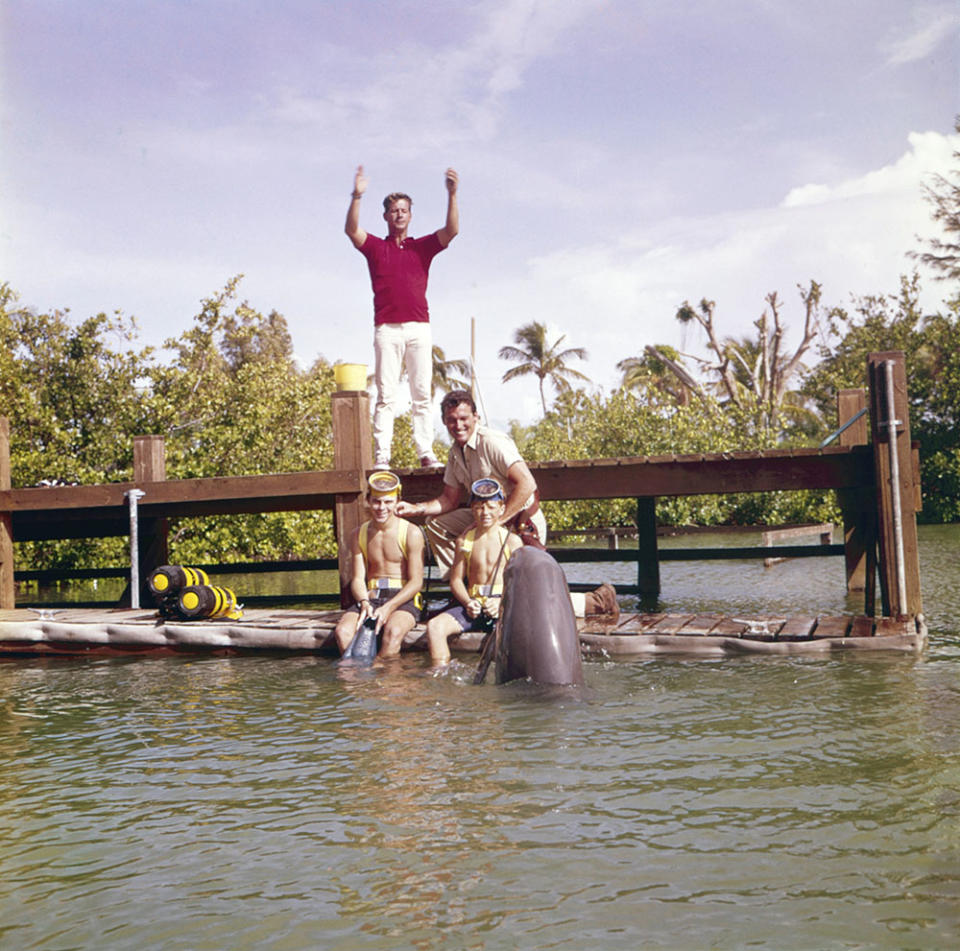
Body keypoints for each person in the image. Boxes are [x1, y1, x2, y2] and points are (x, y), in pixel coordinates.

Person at [396, 389, 619, 619]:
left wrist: (497, 524)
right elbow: (449, 500)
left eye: (464, 418)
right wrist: (415, 509)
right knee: (436, 525)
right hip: (486, 520)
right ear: (444, 422)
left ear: (476, 417)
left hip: (521, 521)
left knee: (528, 593)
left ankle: (595, 602)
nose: (458, 425)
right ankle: (466, 590)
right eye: (452, 420)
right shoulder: (455, 452)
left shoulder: (492, 442)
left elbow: (527, 483)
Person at [345, 164, 460, 469]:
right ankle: (382, 457)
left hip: (419, 328)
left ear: (410, 215)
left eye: (404, 210)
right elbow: (352, 231)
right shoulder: (376, 248)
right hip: (387, 329)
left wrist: (452, 195)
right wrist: (356, 196)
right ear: (386, 216)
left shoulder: (420, 248)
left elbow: (451, 231)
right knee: (386, 395)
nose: (399, 215)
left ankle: (426, 452)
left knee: (422, 393)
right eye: (394, 210)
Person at [426, 478, 522, 666]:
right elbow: (456, 581)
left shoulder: (512, 541)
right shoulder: (464, 541)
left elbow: (521, 584)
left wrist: (501, 601)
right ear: (472, 509)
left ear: (501, 509)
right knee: (435, 627)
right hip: (473, 606)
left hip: (502, 605)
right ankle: (440, 672)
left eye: (491, 507)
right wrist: (468, 602)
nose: (484, 512)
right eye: (478, 507)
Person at [335, 470, 425, 658]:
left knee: (392, 633)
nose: (381, 507)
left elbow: (416, 582)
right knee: (342, 632)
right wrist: (364, 602)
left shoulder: (411, 533)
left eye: (388, 502)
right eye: (376, 501)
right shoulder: (358, 534)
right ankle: (359, 684)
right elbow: (358, 579)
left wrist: (389, 607)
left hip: (403, 600)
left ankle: (385, 683)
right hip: (371, 597)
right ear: (368, 500)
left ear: (397, 501)